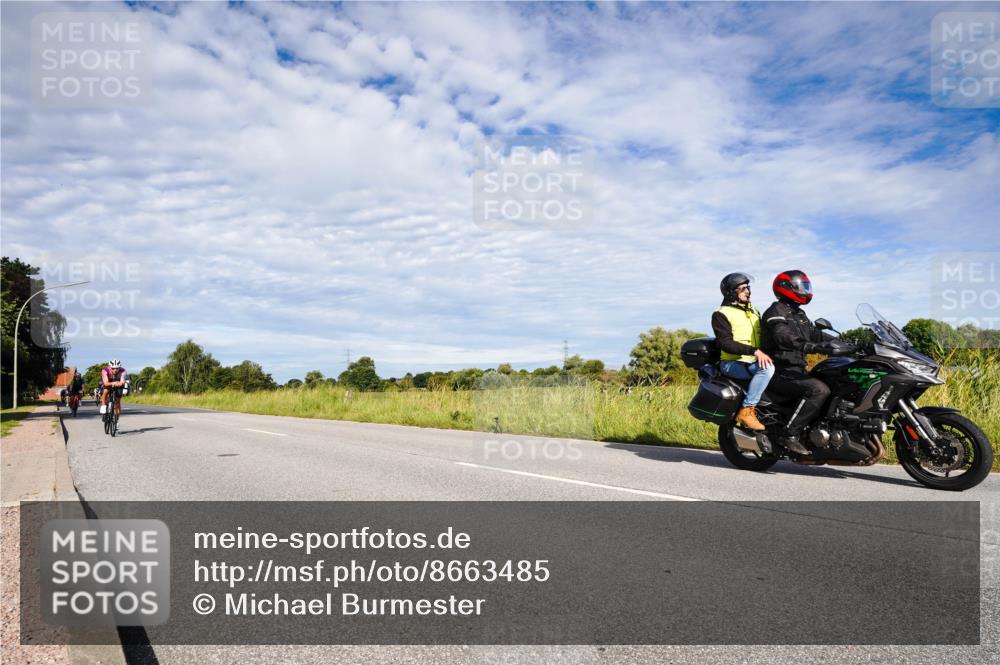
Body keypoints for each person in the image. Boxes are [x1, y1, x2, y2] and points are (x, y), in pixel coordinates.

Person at [761, 270, 833, 456]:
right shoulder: (775, 311)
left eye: (806, 287)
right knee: (819, 390)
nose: (804, 291)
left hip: (796, 370)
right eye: (801, 287)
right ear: (785, 287)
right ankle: (789, 434)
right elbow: (782, 335)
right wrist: (809, 346)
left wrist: (847, 343)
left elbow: (817, 335)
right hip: (779, 370)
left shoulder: (799, 314)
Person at [711, 273, 774, 431]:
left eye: (748, 287)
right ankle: (747, 410)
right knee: (766, 368)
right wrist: (754, 351)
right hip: (731, 363)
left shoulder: (753, 311)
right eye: (743, 288)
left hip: (752, 361)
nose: (748, 291)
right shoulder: (721, 313)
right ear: (731, 292)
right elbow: (725, 343)